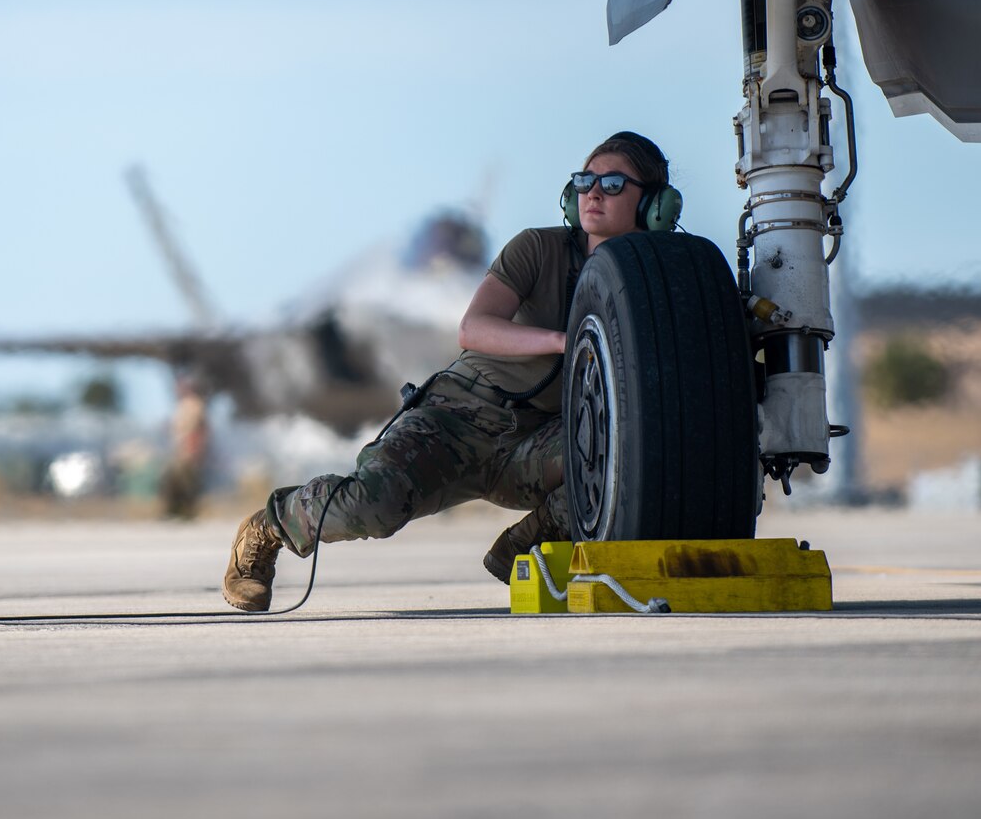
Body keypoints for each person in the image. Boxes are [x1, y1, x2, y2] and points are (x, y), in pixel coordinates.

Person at [221, 131, 679, 611]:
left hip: (535, 443)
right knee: (374, 505)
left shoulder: (659, 285)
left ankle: (527, 545)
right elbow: (474, 328)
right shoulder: (537, 250)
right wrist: (563, 342)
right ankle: (267, 530)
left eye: (611, 183)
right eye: (585, 180)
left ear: (654, 205)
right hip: (457, 418)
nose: (593, 193)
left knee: (630, 450)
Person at [158, 374, 212, 521]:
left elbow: (200, 429)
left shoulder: (194, 404)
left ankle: (187, 512)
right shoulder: (182, 405)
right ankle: (174, 511)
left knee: (187, 481)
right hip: (180, 449)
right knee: (174, 480)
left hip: (189, 449)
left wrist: (197, 448)